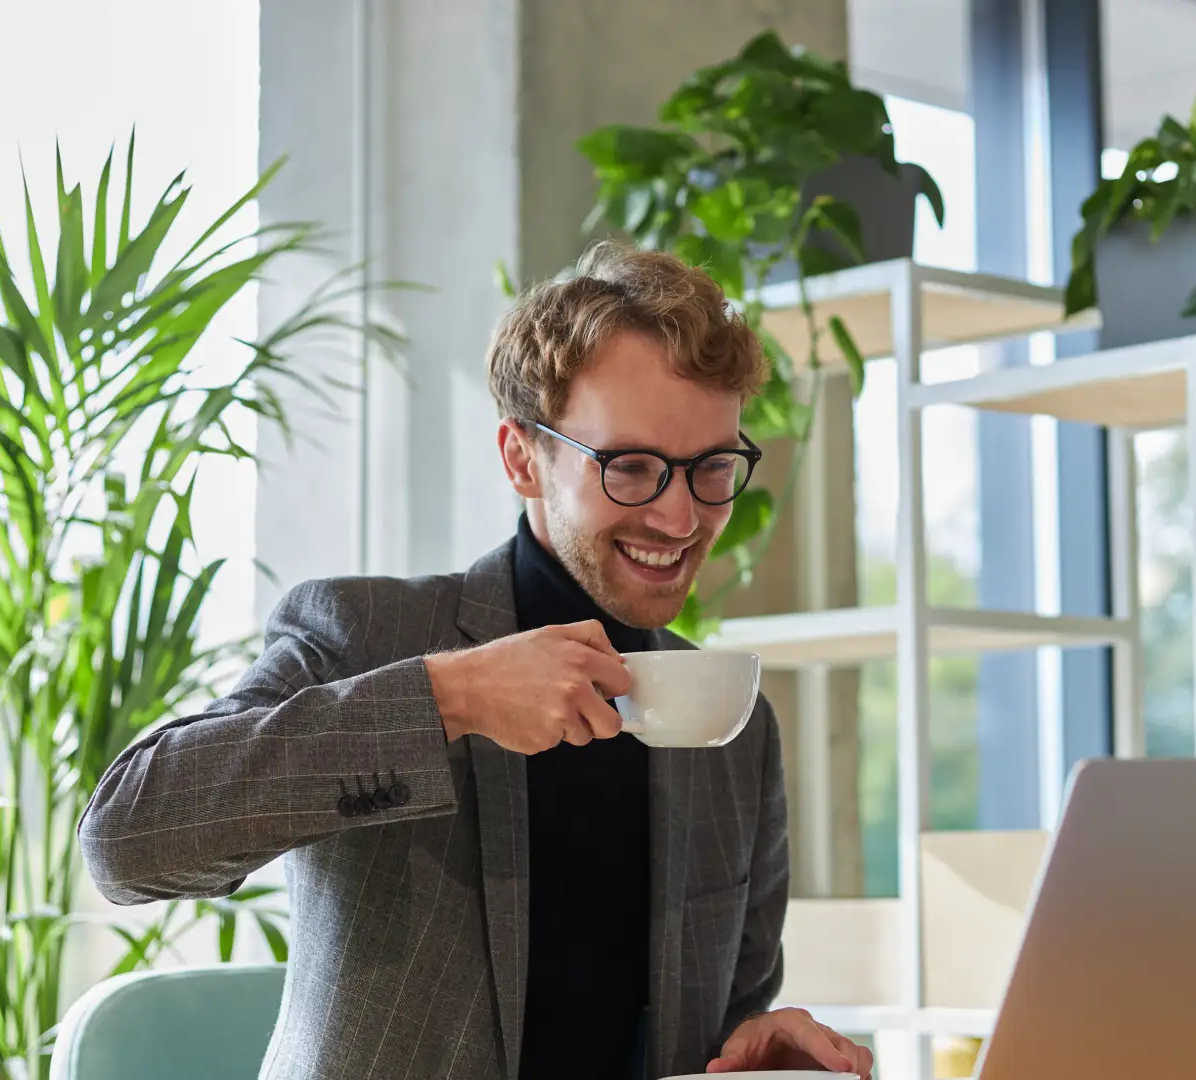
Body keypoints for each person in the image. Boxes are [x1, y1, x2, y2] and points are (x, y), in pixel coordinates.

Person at [79, 243, 873, 1080]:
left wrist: (755, 1047)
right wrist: (446, 697)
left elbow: (718, 1020)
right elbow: (128, 842)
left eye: (710, 467)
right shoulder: (367, 632)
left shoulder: (733, 736)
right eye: (631, 466)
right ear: (523, 457)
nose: (680, 517)